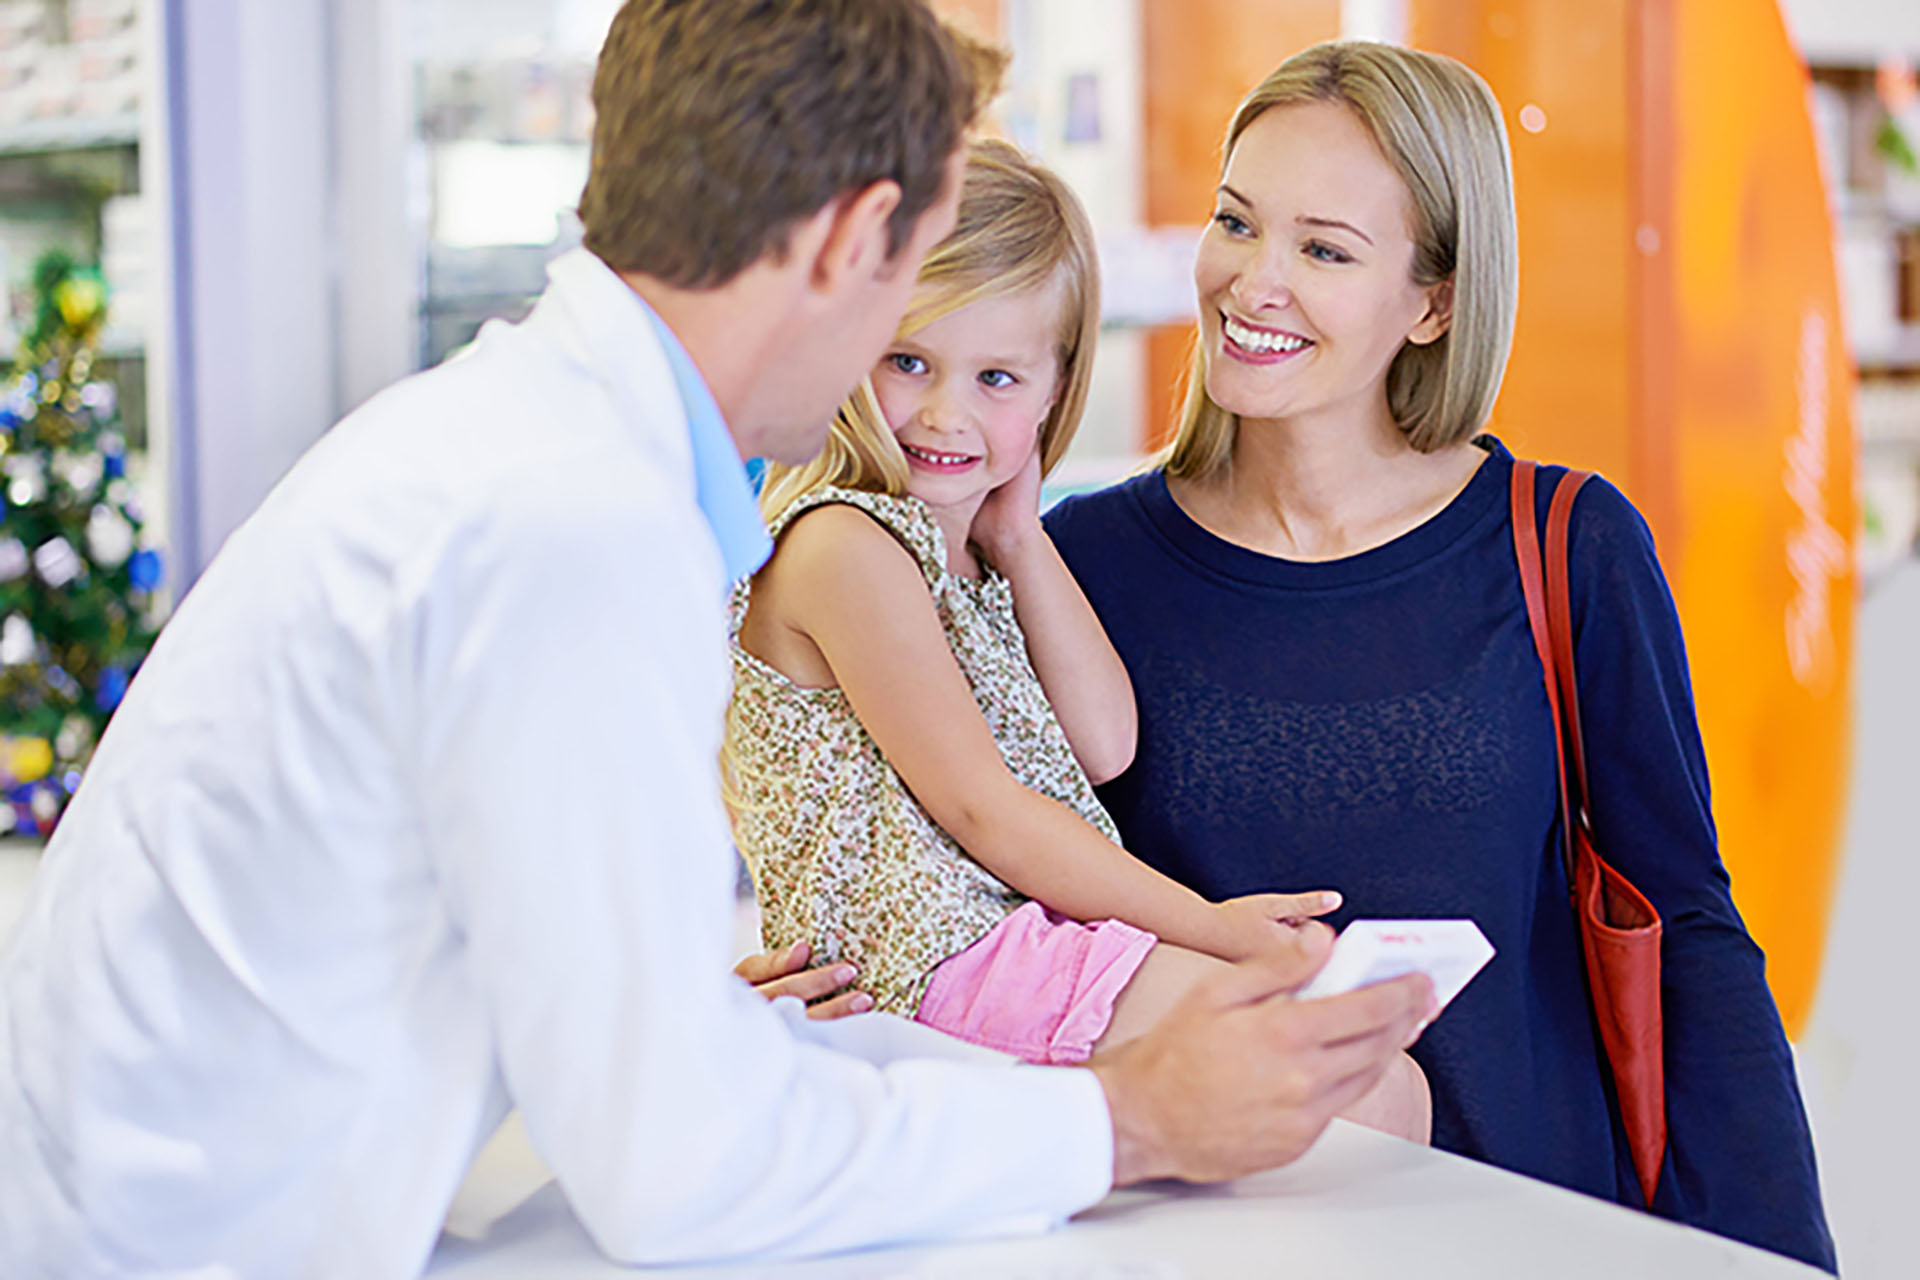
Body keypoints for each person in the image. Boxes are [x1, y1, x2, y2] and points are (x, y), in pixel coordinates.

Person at [0, 6, 1432, 1277]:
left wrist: (671, 994)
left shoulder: (512, 446)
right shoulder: (573, 529)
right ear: (843, 242)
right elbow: (677, 1172)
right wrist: (1128, 1123)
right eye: (909, 283)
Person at [1043, 40, 1836, 1272]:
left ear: (1434, 301)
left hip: (1534, 1233)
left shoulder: (1565, 544)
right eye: (1235, 222)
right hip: (1203, 1239)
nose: (1254, 281)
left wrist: (1784, 1253)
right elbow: (994, 896)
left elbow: (1687, 929)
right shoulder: (1080, 564)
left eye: (1324, 249)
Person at [727, 138, 1431, 1138]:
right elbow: (986, 809)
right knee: (1364, 1088)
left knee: (1375, 1082)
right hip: (928, 968)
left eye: (999, 379)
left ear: (1058, 390)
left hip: (1011, 950)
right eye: (909, 359)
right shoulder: (847, 544)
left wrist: (1015, 532)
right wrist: (1216, 929)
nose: (943, 410)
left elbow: (1103, 744)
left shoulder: (970, 560)